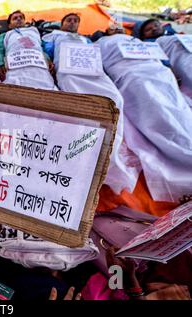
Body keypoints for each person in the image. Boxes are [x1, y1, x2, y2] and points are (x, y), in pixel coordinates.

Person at [42, 14, 138, 195]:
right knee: (81, 106)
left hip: (95, 74)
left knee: (115, 100)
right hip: (70, 73)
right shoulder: (52, 36)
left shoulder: (86, 40)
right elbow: (46, 52)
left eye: (75, 21)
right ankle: (84, 158)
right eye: (68, 20)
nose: (72, 23)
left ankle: (109, 157)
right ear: (61, 23)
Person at [96, 32, 192, 202]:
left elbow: (160, 59)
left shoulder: (136, 41)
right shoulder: (102, 42)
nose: (116, 26)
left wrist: (168, 69)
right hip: (132, 77)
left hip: (158, 74)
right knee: (159, 115)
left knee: (179, 112)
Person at [0, 10, 57, 90]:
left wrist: (48, 59)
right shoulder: (5, 35)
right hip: (15, 65)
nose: (19, 19)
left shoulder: (34, 31)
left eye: (21, 17)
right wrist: (1, 64)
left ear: (24, 21)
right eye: (15, 18)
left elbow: (41, 47)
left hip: (38, 64)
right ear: (9, 25)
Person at [137, 19, 192, 106]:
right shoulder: (149, 43)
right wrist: (168, 68)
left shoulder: (174, 34)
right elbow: (156, 57)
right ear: (143, 36)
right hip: (182, 60)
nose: (154, 29)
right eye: (148, 29)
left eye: (156, 25)